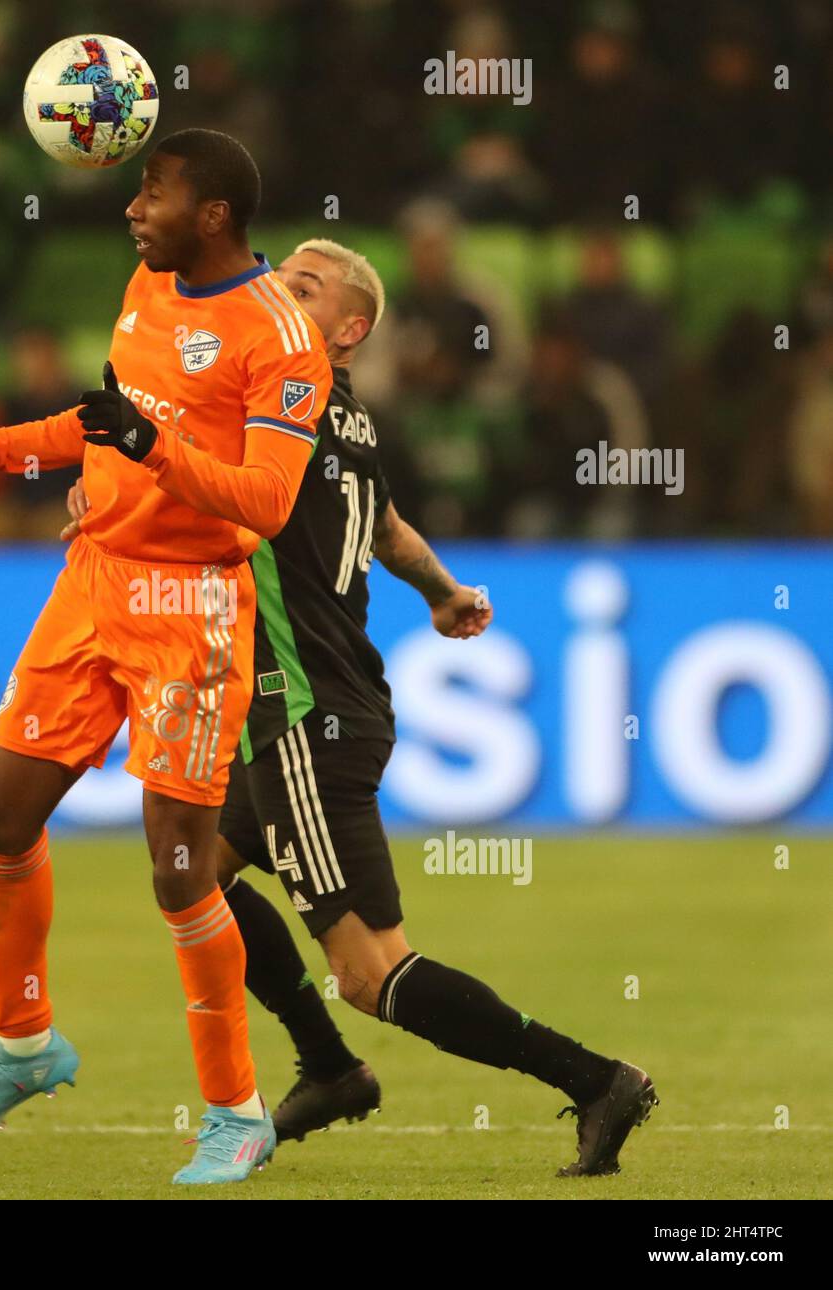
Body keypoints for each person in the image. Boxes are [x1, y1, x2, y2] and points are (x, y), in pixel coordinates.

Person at [68, 238, 657, 1178]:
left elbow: (191, 476)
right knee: (190, 872)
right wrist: (441, 589)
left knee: (371, 972)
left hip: (302, 711)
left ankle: (594, 1079)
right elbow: (381, 523)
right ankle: (331, 1067)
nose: (276, 293)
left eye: (302, 288)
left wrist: (105, 495)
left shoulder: (273, 408)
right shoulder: (349, 421)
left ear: (349, 331)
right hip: (310, 707)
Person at [0, 129, 332, 1184]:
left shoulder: (282, 339)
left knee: (180, 872)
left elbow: (267, 502)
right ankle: (27, 1046)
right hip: (93, 583)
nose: (134, 210)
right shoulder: (146, 282)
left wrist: (149, 446)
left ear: (213, 214)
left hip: (191, 612)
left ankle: (236, 1110)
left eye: (154, 194)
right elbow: (100, 426)